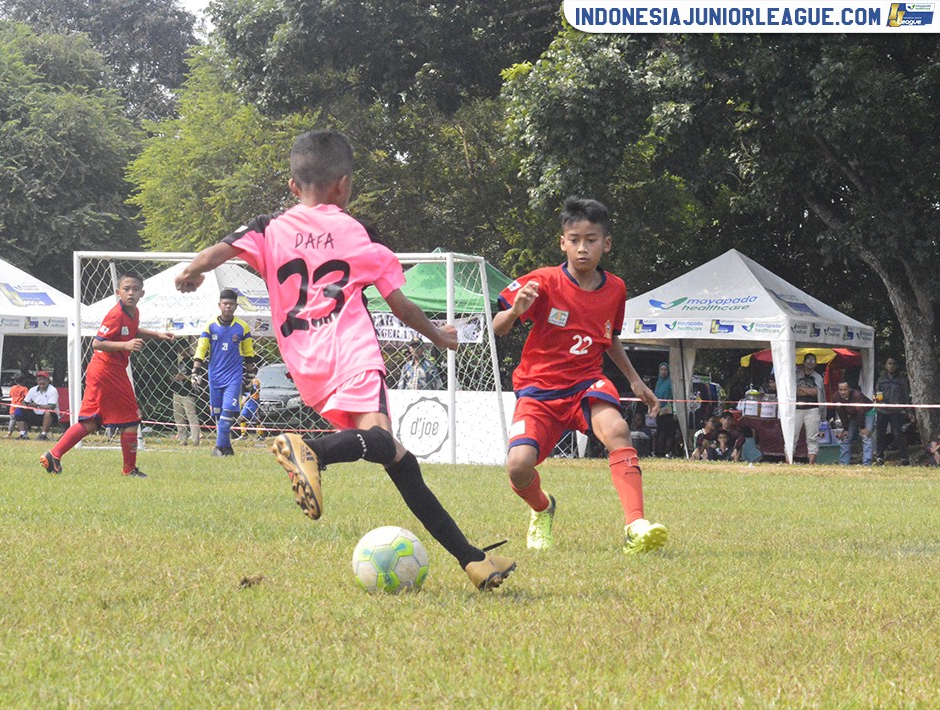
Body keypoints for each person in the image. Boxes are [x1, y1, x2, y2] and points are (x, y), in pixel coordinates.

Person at [175, 129, 514, 591]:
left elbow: (218, 252)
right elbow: (401, 307)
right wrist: (439, 335)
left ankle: (473, 560)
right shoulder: (358, 234)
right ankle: (313, 451)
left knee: (397, 458)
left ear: (293, 186)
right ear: (345, 185)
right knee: (381, 440)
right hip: (351, 350)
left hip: (305, 362)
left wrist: (193, 271)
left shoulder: (268, 228)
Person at [493, 197, 668, 554]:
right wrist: (514, 311)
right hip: (538, 390)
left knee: (618, 431)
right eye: (574, 240)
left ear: (607, 243)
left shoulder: (615, 288)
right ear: (563, 243)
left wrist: (635, 380)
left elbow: (609, 337)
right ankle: (542, 508)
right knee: (518, 467)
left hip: (586, 383)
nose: (582, 248)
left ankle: (636, 526)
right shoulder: (542, 281)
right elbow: (498, 328)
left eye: (591, 239)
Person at [40, 271, 174, 477]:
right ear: (118, 292)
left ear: (142, 293)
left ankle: (53, 455)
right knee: (131, 418)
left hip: (103, 371)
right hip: (107, 371)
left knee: (91, 422)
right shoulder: (115, 315)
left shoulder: (133, 312)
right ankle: (129, 470)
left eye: (135, 289)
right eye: (126, 289)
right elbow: (97, 343)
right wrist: (125, 345)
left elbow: (132, 331)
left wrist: (157, 334)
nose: (131, 293)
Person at [194, 289, 255, 457]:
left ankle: (219, 447)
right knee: (218, 413)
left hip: (234, 376)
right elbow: (201, 349)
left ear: (236, 306)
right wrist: (195, 371)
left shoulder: (242, 327)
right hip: (214, 376)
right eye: (225, 303)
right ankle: (227, 447)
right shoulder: (210, 326)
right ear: (219, 305)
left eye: (231, 304)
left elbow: (249, 353)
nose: (228, 306)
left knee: (228, 410)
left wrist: (250, 375)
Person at [874, 356, 910, 466]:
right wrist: (878, 402)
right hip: (882, 411)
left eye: (893, 364)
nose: (891, 366)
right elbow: (877, 393)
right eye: (889, 363)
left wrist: (908, 411)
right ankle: (879, 457)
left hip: (896, 411)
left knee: (898, 434)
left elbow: (906, 396)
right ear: (885, 366)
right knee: (880, 435)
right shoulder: (881, 379)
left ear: (897, 366)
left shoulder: (901, 380)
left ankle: (903, 457)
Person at [828, 380, 873, 466]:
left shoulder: (857, 395)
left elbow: (860, 412)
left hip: (867, 412)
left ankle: (867, 463)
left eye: (845, 389)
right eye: (840, 390)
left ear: (850, 389)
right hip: (852, 415)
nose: (843, 392)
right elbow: (841, 413)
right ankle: (843, 463)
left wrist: (862, 427)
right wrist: (845, 428)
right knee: (846, 437)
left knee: (865, 436)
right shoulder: (835, 397)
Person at [793, 352, 825, 464]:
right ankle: (788, 461)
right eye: (808, 360)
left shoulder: (818, 377)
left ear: (816, 364)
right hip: (796, 409)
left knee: (812, 437)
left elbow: (816, 392)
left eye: (813, 360)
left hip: (813, 409)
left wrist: (801, 388)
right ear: (803, 362)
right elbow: (794, 391)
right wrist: (808, 390)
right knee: (792, 435)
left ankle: (811, 462)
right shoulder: (796, 375)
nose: (810, 362)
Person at [12, 371, 60, 441]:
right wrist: (28, 405)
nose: (42, 382)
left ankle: (43, 435)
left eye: (44, 379)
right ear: (37, 381)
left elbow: (51, 406)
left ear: (48, 380)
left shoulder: (53, 390)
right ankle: (23, 434)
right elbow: (24, 403)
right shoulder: (32, 390)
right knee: (19, 410)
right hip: (35, 414)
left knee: (48, 412)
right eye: (39, 379)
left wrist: (37, 406)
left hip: (51, 417)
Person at [171, 342, 201, 446]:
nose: (180, 351)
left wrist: (183, 377)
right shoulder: (181, 361)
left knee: (191, 416)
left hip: (188, 392)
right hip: (177, 391)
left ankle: (195, 440)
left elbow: (197, 377)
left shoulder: (193, 361)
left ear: (186, 348)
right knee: (178, 417)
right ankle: (182, 439)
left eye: (181, 348)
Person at [652, 361, 677, 457]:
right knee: (659, 430)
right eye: (661, 370)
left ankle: (667, 450)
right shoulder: (658, 382)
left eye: (665, 370)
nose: (663, 372)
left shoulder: (670, 382)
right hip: (659, 410)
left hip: (668, 411)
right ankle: (658, 451)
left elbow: (674, 396)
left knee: (667, 431)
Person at [4, 373, 30, 438]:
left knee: (12, 420)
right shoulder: (25, 389)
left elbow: (10, 395)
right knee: (22, 420)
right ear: (24, 380)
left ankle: (9, 433)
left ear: (15, 381)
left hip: (13, 407)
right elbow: (27, 397)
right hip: (21, 407)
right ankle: (24, 433)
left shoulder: (13, 388)